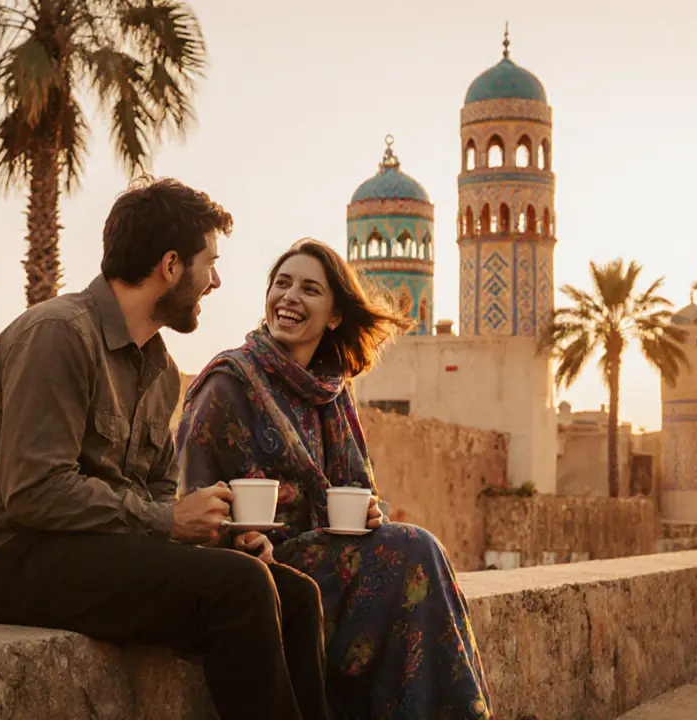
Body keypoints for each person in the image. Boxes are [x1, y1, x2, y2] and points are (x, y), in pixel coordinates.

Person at [0, 179, 329, 720]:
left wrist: (216, 536)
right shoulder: (59, 334)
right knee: (238, 590)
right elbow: (34, 492)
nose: (215, 281)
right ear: (170, 265)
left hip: (98, 551)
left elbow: (159, 493)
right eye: (208, 264)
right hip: (14, 559)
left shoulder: (161, 369)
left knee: (296, 595)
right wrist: (170, 523)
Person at [175, 238, 493, 719]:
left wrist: (368, 514)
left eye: (309, 289)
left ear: (335, 315)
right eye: (281, 284)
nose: (289, 298)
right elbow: (189, 506)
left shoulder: (333, 391)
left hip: (328, 562)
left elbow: (359, 492)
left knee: (413, 550)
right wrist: (236, 541)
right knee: (414, 550)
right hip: (259, 575)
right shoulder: (228, 383)